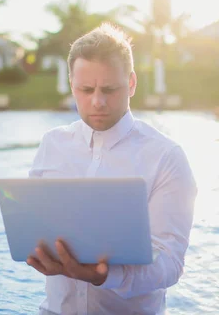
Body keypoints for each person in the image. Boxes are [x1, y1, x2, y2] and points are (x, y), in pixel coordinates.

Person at [27, 23, 197, 315]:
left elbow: (170, 263)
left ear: (131, 84)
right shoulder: (52, 144)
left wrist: (107, 276)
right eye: (85, 89)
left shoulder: (166, 157)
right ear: (72, 85)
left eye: (109, 89)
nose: (97, 101)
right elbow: (32, 229)